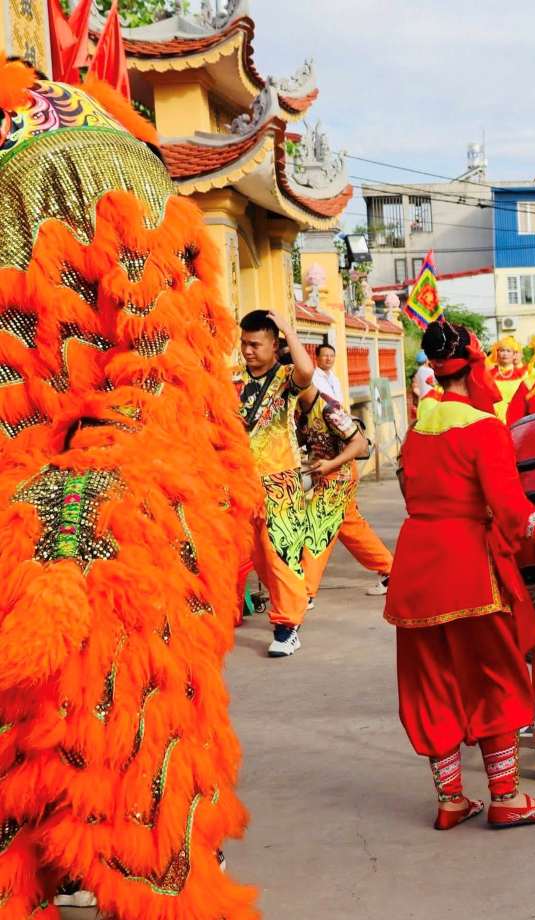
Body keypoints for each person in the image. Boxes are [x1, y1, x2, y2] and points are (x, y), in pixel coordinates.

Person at [0, 62, 260, 917]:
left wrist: (60, 524)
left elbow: (163, 367)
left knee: (131, 809)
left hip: (105, 513)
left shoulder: (63, 133)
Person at [386, 321, 535, 829]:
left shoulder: (418, 428)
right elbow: (510, 509)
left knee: (430, 680)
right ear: (475, 367)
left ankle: (450, 800)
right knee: (495, 674)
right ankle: (506, 797)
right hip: (468, 569)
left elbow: (409, 488)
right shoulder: (484, 428)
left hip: (415, 568)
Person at [236, 308, 315, 657]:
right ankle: (292, 597)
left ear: (273, 345)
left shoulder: (285, 378)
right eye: (244, 343)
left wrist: (288, 330)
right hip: (241, 481)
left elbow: (307, 371)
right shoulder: (233, 380)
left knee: (279, 552)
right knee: (256, 556)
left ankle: (286, 626)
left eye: (255, 344)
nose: (248, 350)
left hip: (280, 479)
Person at [297, 388, 395, 602]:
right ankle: (391, 571)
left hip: (339, 476)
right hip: (325, 476)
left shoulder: (329, 409)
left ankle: (304, 594)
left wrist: (331, 464)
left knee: (317, 528)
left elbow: (359, 444)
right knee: (351, 527)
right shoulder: (299, 408)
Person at [488, 334, 526, 422]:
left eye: (508, 351)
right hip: (494, 417)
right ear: (497, 353)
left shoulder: (523, 374)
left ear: (514, 354)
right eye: (502, 350)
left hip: (517, 417)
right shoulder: (489, 374)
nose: (505, 354)